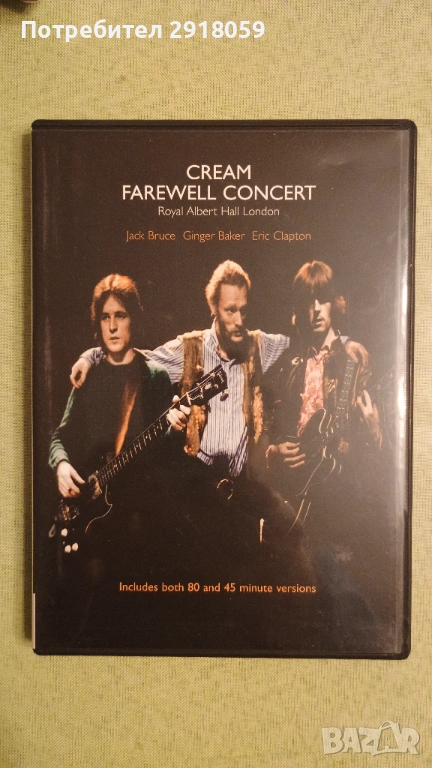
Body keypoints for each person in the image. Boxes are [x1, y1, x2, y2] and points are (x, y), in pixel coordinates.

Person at [49, 274, 189, 646]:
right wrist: (61, 464)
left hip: (138, 519)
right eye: (105, 317)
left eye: (121, 315)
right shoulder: (89, 376)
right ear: (98, 323)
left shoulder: (154, 376)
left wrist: (176, 429)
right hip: (92, 517)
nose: (112, 326)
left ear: (133, 320)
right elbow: (60, 437)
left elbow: (167, 456)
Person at [266, 260, 385, 652]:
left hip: (338, 504)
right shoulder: (289, 364)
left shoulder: (353, 357)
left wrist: (372, 431)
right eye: (307, 301)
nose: (315, 309)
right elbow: (269, 430)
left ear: (336, 303)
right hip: (296, 504)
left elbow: (372, 447)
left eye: (322, 300)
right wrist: (273, 451)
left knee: (343, 620)